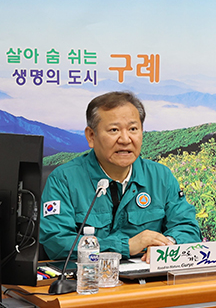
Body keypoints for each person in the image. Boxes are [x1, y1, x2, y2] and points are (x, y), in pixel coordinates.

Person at [40, 91, 201, 260]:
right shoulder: (64, 179)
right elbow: (57, 242)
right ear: (91, 136)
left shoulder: (161, 176)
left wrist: (167, 245)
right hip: (87, 280)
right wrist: (126, 246)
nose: (125, 139)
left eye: (133, 129)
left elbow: (187, 226)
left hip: (148, 281)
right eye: (114, 130)